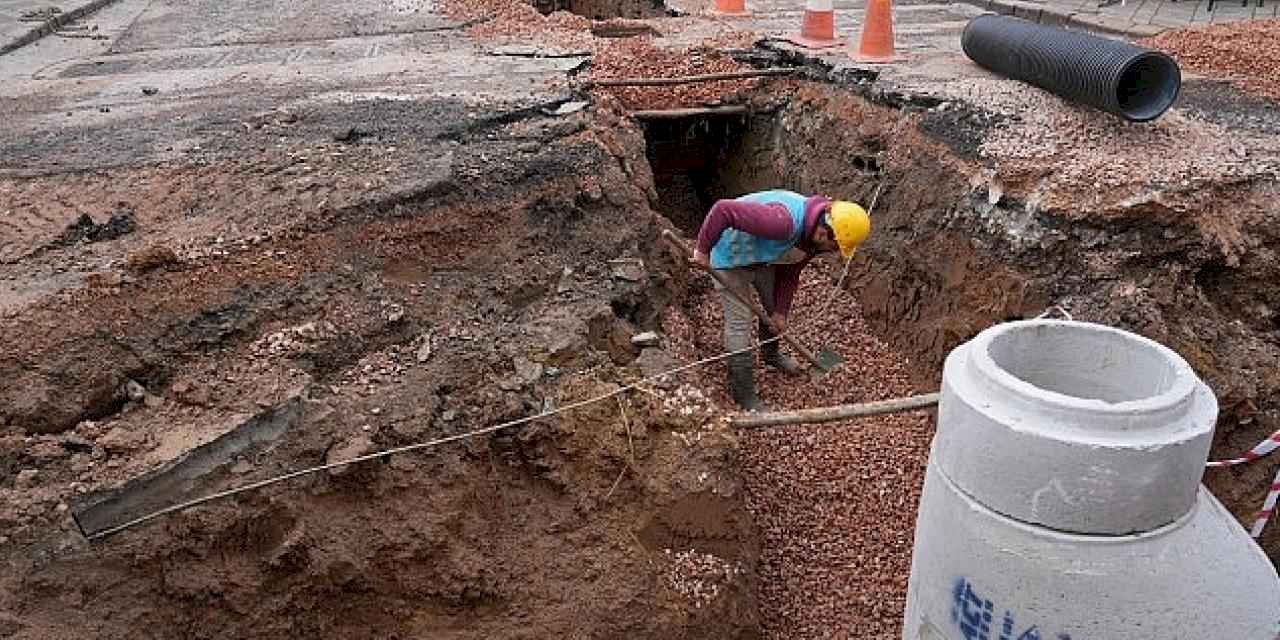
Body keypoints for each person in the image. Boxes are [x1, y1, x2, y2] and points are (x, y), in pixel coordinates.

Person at [690, 189, 871, 412]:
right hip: (729, 257)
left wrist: (781, 312)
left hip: (762, 258)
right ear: (825, 233)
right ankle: (744, 394)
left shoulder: (812, 238)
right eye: (834, 247)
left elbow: (790, 272)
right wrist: (702, 250)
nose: (833, 252)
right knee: (739, 324)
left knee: (774, 309)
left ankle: (770, 354)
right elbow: (722, 210)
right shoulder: (782, 223)